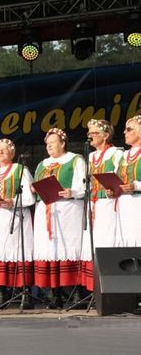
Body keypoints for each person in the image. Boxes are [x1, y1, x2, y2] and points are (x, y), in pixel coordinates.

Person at [32, 128, 86, 309]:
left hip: (67, 211)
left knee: (69, 249)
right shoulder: (42, 164)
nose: (49, 146)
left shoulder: (75, 160)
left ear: (63, 143)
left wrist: (72, 192)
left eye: (53, 142)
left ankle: (76, 294)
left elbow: (84, 187)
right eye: (47, 143)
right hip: (46, 210)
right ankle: (55, 295)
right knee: (51, 251)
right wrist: (34, 189)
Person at [0, 139, 36, 309]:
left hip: (16, 217)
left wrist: (13, 201)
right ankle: (1, 294)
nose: (1, 152)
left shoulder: (20, 169)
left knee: (18, 252)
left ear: (12, 153)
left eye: (4, 150)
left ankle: (25, 293)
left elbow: (30, 197)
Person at [79, 119, 122, 295]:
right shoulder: (90, 156)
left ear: (105, 135)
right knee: (94, 241)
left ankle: (111, 286)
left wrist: (115, 188)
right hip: (94, 203)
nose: (90, 136)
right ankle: (94, 289)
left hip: (109, 203)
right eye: (89, 133)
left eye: (94, 133)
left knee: (108, 240)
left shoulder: (116, 153)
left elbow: (121, 177)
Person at [114, 115, 141, 246]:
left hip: (138, 203)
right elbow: (116, 178)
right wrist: (112, 189)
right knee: (125, 242)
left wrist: (135, 186)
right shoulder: (123, 155)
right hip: (124, 205)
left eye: (129, 129)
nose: (125, 132)